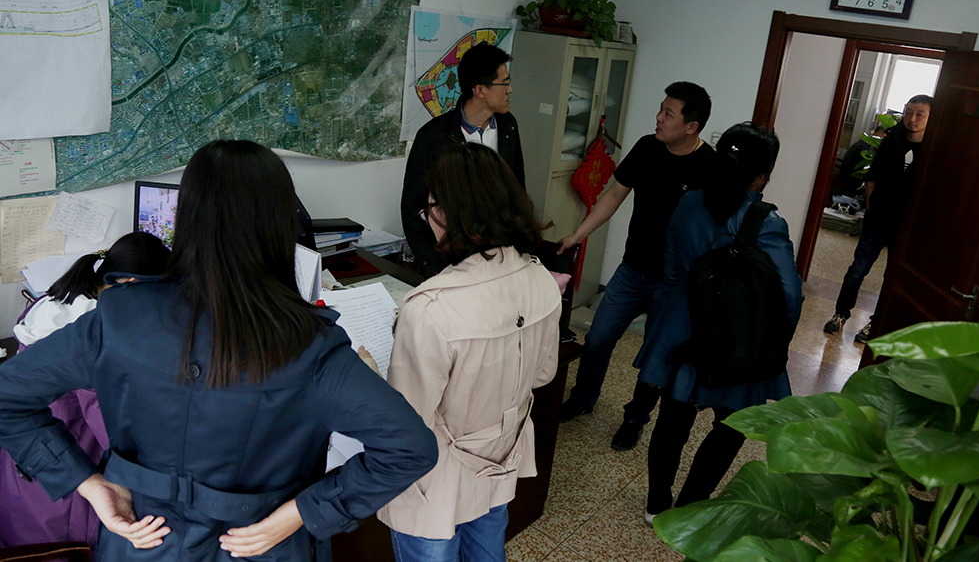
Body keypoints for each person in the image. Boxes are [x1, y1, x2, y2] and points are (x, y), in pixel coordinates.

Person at [0, 140, 437, 561]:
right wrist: (302, 513)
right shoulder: (311, 345)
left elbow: (7, 394)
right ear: (281, 225)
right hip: (261, 545)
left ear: (186, 219)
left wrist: (87, 482)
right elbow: (408, 448)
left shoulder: (118, 316)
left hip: (142, 541)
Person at [379, 143, 561, 562]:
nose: (429, 220)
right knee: (486, 547)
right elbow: (543, 374)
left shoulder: (430, 308)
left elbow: (407, 422)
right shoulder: (542, 278)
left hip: (437, 478)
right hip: (500, 454)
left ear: (449, 213)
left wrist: (369, 370)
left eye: (429, 209)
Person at [639, 122, 802, 523]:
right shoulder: (766, 222)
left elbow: (670, 271)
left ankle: (656, 504)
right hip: (738, 337)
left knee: (672, 419)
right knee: (731, 425)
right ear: (762, 175)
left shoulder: (688, 202)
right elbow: (789, 296)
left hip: (683, 325)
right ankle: (690, 508)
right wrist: (773, 342)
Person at [557, 82, 716, 452]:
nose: (658, 118)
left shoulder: (710, 167)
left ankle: (635, 419)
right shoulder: (647, 147)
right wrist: (579, 234)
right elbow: (614, 194)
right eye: (661, 109)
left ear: (691, 126)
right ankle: (582, 399)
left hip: (672, 283)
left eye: (668, 114)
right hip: (632, 270)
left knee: (655, 358)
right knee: (597, 339)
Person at [0, 232, 170, 551]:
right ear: (132, 283)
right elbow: (113, 432)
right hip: (66, 482)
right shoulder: (93, 335)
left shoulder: (54, 300)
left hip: (26, 466)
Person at [401, 42, 525, 278]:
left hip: (498, 259)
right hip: (450, 260)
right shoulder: (434, 136)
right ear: (480, 90)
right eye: (505, 83)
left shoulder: (508, 126)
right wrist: (434, 269)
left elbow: (517, 189)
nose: (510, 90)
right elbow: (413, 209)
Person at [824, 95, 932, 343]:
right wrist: (871, 201)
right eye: (909, 112)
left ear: (930, 118)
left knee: (892, 277)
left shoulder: (932, 147)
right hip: (878, 216)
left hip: (905, 224)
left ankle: (877, 322)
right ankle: (840, 314)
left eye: (920, 114)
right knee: (857, 269)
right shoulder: (892, 139)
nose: (912, 119)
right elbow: (874, 173)